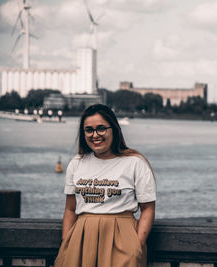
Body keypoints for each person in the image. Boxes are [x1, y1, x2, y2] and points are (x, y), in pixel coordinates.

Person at [55, 104, 156, 267]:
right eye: (89, 130)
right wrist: (66, 243)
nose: (95, 135)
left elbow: (148, 208)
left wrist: (136, 246)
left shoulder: (135, 163)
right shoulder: (76, 164)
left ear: (114, 129)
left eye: (101, 128)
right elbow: (70, 209)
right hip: (80, 240)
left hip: (122, 241)